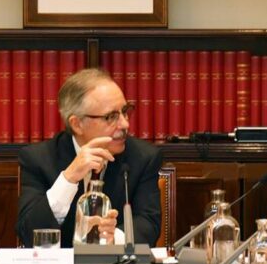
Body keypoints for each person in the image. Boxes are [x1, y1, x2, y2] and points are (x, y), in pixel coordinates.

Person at [17, 68, 161, 248]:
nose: (125, 124)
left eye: (125, 111)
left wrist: (114, 237)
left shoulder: (143, 157)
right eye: (111, 117)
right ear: (77, 124)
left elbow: (149, 223)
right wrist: (68, 179)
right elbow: (28, 233)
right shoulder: (38, 159)